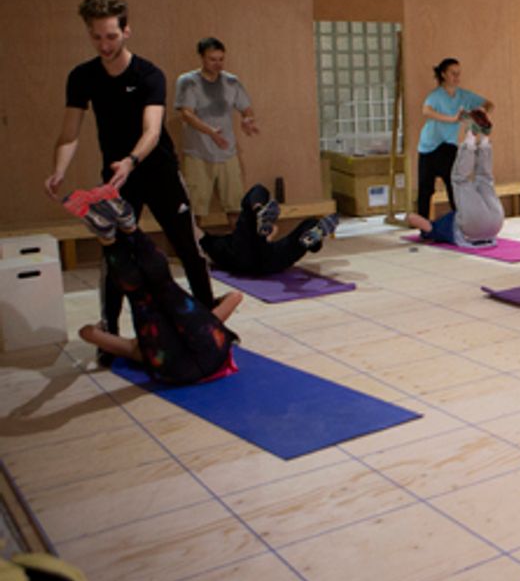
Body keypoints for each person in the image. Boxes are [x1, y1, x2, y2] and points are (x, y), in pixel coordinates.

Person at [45, 0, 216, 342]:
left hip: (157, 170)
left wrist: (132, 160)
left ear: (126, 31)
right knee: (116, 256)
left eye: (111, 36)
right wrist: (59, 170)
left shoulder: (148, 74)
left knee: (187, 246)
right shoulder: (82, 76)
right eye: (97, 37)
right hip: (117, 178)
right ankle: (111, 328)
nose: (104, 44)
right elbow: (69, 133)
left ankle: (210, 323)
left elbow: (152, 130)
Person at [63, 185, 240, 384]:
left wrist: (210, 310)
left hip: (213, 351)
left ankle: (129, 228)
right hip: (175, 367)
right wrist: (98, 328)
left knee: (165, 284)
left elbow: (235, 297)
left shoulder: (209, 321)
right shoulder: (138, 349)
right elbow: (87, 333)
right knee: (140, 295)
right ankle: (109, 238)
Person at [174, 37, 257, 222]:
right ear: (202, 58)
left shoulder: (231, 82)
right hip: (198, 152)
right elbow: (186, 114)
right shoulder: (188, 81)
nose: (217, 64)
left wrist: (248, 120)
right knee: (195, 209)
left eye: (221, 59)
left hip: (227, 151)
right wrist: (210, 132)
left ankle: (239, 246)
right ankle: (195, 248)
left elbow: (246, 108)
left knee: (235, 205)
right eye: (212, 59)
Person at [199, 184, 339, 276]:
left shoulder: (211, 244)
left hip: (255, 259)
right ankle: (308, 240)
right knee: (258, 190)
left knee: (310, 224)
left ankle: (308, 237)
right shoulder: (211, 242)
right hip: (257, 259)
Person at [405, 122, 504, 247]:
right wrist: (408, 216)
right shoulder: (438, 229)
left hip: (494, 225)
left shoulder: (439, 229)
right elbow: (414, 219)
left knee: (485, 178)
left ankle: (484, 140)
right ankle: (472, 138)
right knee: (459, 179)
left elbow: (416, 221)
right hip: (476, 224)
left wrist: (406, 217)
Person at [416, 58, 491, 220]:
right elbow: (426, 111)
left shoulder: (464, 96)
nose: (457, 77)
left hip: (448, 146)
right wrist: (452, 119)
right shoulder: (435, 96)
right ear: (443, 75)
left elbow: (488, 104)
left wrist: (481, 111)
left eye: (459, 74)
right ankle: (422, 225)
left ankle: (461, 222)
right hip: (428, 146)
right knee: (425, 189)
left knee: (454, 185)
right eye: (453, 73)